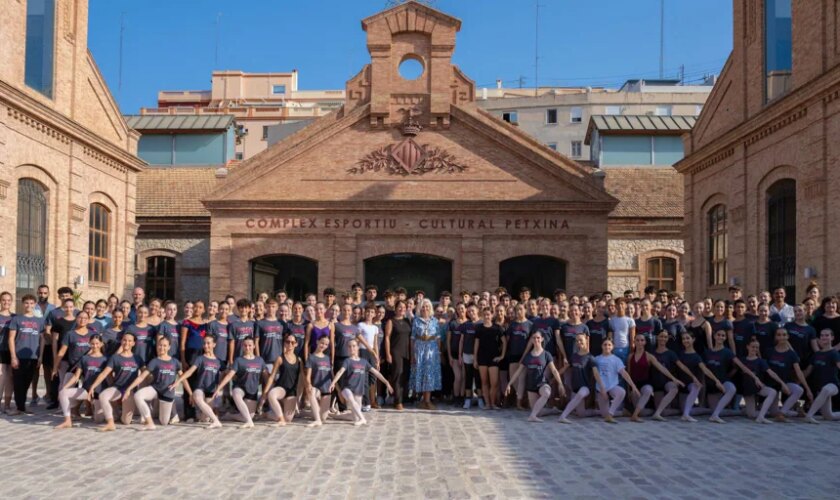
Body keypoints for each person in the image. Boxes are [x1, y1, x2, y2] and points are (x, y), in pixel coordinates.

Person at [86, 332, 143, 431]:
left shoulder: (137, 358)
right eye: (124, 340)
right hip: (117, 388)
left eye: (130, 341)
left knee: (126, 421)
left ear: (133, 343)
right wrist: (93, 386)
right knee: (103, 396)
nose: (126, 343)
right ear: (121, 341)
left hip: (130, 391)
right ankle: (110, 423)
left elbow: (145, 373)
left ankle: (118, 412)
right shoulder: (115, 358)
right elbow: (104, 373)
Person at [328, 339, 393, 426]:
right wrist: (333, 383)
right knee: (352, 402)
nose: (352, 348)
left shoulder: (364, 362)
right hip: (347, 389)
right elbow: (340, 372)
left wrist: (386, 383)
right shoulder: (347, 361)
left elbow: (376, 372)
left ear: (358, 347)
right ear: (347, 349)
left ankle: (335, 416)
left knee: (355, 417)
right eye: (350, 346)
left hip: (358, 391)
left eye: (354, 346)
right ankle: (363, 419)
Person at [125, 336, 182, 430]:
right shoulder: (154, 361)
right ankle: (149, 422)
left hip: (167, 393)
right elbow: (142, 376)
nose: (162, 347)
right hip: (155, 389)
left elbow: (183, 377)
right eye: (160, 345)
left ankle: (166, 412)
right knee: (138, 395)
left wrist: (184, 387)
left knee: (164, 422)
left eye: (164, 345)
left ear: (169, 347)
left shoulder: (175, 362)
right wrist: (129, 388)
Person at [506, 330, 564, 422]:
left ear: (542, 339)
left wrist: (560, 384)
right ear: (532, 340)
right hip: (531, 386)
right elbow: (518, 372)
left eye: (538, 338)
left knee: (546, 393)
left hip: (542, 383)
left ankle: (532, 417)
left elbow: (554, 370)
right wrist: (509, 384)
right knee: (539, 412)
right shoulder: (528, 356)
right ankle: (553, 410)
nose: (536, 339)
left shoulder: (546, 354)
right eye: (534, 338)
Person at [627, 333, 685, 422]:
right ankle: (651, 411)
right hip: (634, 386)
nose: (639, 342)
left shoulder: (649, 356)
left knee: (648, 390)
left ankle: (634, 416)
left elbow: (661, 368)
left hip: (645, 384)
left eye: (642, 340)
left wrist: (674, 378)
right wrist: (629, 391)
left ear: (645, 342)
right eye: (637, 340)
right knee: (642, 413)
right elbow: (629, 374)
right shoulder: (630, 356)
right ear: (634, 342)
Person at [213, 337, 269, 429]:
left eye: (250, 345)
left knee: (248, 415)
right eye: (245, 345)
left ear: (254, 346)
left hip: (252, 391)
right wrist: (219, 388)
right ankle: (249, 423)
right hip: (240, 387)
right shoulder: (239, 360)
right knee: (236, 393)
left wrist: (266, 393)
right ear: (242, 347)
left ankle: (230, 416)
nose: (247, 348)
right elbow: (229, 375)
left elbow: (267, 378)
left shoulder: (260, 360)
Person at [54, 333, 107, 429]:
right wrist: (64, 388)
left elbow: (109, 378)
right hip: (86, 391)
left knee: (98, 420)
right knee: (63, 393)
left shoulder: (105, 360)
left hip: (99, 392)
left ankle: (95, 406)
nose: (95, 346)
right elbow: (76, 376)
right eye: (92, 343)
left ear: (101, 344)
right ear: (89, 344)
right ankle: (67, 420)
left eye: (97, 343)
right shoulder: (84, 358)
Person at [170, 335, 223, 429]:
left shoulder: (219, 361)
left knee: (205, 418)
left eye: (208, 343)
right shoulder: (200, 358)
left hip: (211, 391)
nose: (206, 346)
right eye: (204, 343)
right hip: (200, 388)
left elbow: (228, 374)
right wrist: (178, 381)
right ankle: (216, 421)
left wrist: (220, 387)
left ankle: (203, 416)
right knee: (197, 396)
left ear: (214, 344)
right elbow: (190, 372)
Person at [8, 294, 46, 415]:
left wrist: (40, 356)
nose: (29, 305)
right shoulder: (16, 319)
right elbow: (11, 339)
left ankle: (21, 407)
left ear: (35, 304)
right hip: (19, 356)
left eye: (31, 303)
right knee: (18, 382)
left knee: (27, 382)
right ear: (22, 304)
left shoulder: (39, 321)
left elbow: (43, 339)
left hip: (33, 357)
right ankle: (19, 407)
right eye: (26, 303)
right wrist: (13, 356)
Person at [766, 327, 813, 420]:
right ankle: (796, 413)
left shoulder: (792, 354)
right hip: (772, 384)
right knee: (773, 413)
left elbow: (799, 372)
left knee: (799, 390)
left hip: (786, 383)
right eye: (779, 335)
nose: (781, 337)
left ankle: (782, 413)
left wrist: (808, 389)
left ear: (787, 336)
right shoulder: (769, 351)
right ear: (775, 337)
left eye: (784, 335)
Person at [594, 339, 640, 423]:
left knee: (621, 392)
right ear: (601, 346)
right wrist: (602, 389)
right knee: (604, 414)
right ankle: (622, 412)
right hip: (600, 388)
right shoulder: (597, 359)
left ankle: (610, 414)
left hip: (612, 386)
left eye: (609, 345)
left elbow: (624, 373)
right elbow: (595, 375)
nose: (607, 347)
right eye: (605, 344)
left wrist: (633, 386)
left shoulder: (616, 360)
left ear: (613, 347)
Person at [259, 333, 301, 426]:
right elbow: (272, 376)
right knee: (272, 394)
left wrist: (299, 398)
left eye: (292, 342)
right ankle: (281, 420)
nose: (290, 344)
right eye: (287, 342)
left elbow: (302, 379)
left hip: (291, 391)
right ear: (284, 343)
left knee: (288, 419)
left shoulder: (299, 360)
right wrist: (264, 394)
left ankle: (267, 414)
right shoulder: (280, 358)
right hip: (281, 388)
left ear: (296, 344)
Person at [738, 336, 780, 424]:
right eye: (753, 347)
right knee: (751, 415)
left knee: (772, 392)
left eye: (757, 347)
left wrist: (782, 383)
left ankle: (761, 416)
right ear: (748, 347)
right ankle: (750, 410)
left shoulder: (761, 361)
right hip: (748, 389)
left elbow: (771, 372)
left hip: (758, 387)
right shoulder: (742, 360)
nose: (755, 349)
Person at [703, 330, 741, 423]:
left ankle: (715, 416)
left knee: (732, 389)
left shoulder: (727, 352)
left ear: (725, 338)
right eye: (718, 335)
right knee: (714, 409)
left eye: (723, 335)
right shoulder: (707, 352)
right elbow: (704, 370)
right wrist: (716, 382)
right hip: (711, 385)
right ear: (714, 336)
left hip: (724, 382)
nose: (720, 337)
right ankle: (738, 412)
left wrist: (755, 377)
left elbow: (740, 365)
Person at [411, 299, 443, 410]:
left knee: (429, 374)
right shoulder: (416, 321)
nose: (425, 309)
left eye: (427, 306)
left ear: (430, 308)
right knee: (422, 373)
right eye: (423, 307)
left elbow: (438, 337)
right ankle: (423, 400)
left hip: (431, 349)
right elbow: (413, 338)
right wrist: (412, 354)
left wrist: (438, 352)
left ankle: (427, 401)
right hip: (420, 349)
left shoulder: (435, 321)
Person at [803, 329, 840, 423]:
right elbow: (808, 371)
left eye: (827, 335)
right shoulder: (817, 354)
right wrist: (798, 382)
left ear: (832, 338)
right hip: (820, 388)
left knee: (826, 389)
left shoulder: (834, 353)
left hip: (833, 386)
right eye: (822, 335)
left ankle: (809, 416)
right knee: (829, 416)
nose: (824, 337)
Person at [474, 306, 506, 410]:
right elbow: (476, 344)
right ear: (482, 315)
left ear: (492, 315)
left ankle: (493, 403)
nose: (487, 316)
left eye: (488, 314)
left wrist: (502, 356)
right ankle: (487, 404)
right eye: (485, 314)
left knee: (494, 383)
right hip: (482, 358)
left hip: (494, 358)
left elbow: (504, 342)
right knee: (484, 382)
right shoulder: (479, 328)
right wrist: (475, 359)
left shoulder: (497, 328)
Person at [650, 330, 685, 421]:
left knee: (673, 389)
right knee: (664, 412)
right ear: (657, 337)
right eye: (661, 336)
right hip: (657, 384)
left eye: (665, 337)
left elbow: (681, 366)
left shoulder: (671, 353)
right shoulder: (652, 353)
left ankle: (658, 413)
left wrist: (694, 377)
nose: (663, 339)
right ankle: (678, 411)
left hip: (667, 381)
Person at [385, 301, 412, 410]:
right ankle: (397, 401)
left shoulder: (407, 321)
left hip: (407, 352)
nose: (402, 309)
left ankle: (403, 398)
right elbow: (387, 338)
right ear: (395, 309)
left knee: (405, 375)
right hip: (396, 351)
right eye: (399, 307)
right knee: (397, 375)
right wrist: (388, 354)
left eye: (404, 307)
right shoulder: (391, 321)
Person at [505, 303, 532, 409]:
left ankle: (519, 402)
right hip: (513, 354)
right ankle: (521, 398)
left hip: (525, 355)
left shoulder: (530, 324)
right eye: (517, 310)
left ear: (525, 310)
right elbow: (507, 340)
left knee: (522, 379)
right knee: (513, 379)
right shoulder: (512, 324)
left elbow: (531, 342)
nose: (519, 311)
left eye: (521, 309)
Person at [607, 299, 634, 363]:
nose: (620, 306)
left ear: (625, 305)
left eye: (622, 304)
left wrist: (631, 350)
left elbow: (632, 337)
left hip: (626, 348)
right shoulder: (612, 320)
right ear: (616, 306)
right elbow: (611, 336)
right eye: (618, 304)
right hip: (614, 349)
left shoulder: (630, 320)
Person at [0, 291, 14, 413]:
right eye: (4, 300)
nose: (6, 302)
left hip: (11, 350)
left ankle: (7, 405)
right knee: (1, 376)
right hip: (0, 350)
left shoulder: (15, 317)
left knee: (9, 377)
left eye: (8, 300)